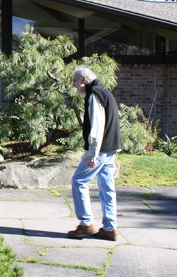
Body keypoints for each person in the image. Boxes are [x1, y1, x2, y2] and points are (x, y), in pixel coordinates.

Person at [68, 66, 121, 241]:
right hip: (110, 148)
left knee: (78, 181)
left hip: (101, 149)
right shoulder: (104, 91)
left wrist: (93, 153)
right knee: (106, 187)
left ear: (83, 79)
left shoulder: (94, 95)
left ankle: (86, 224)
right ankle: (110, 228)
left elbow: (97, 127)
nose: (74, 84)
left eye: (75, 80)